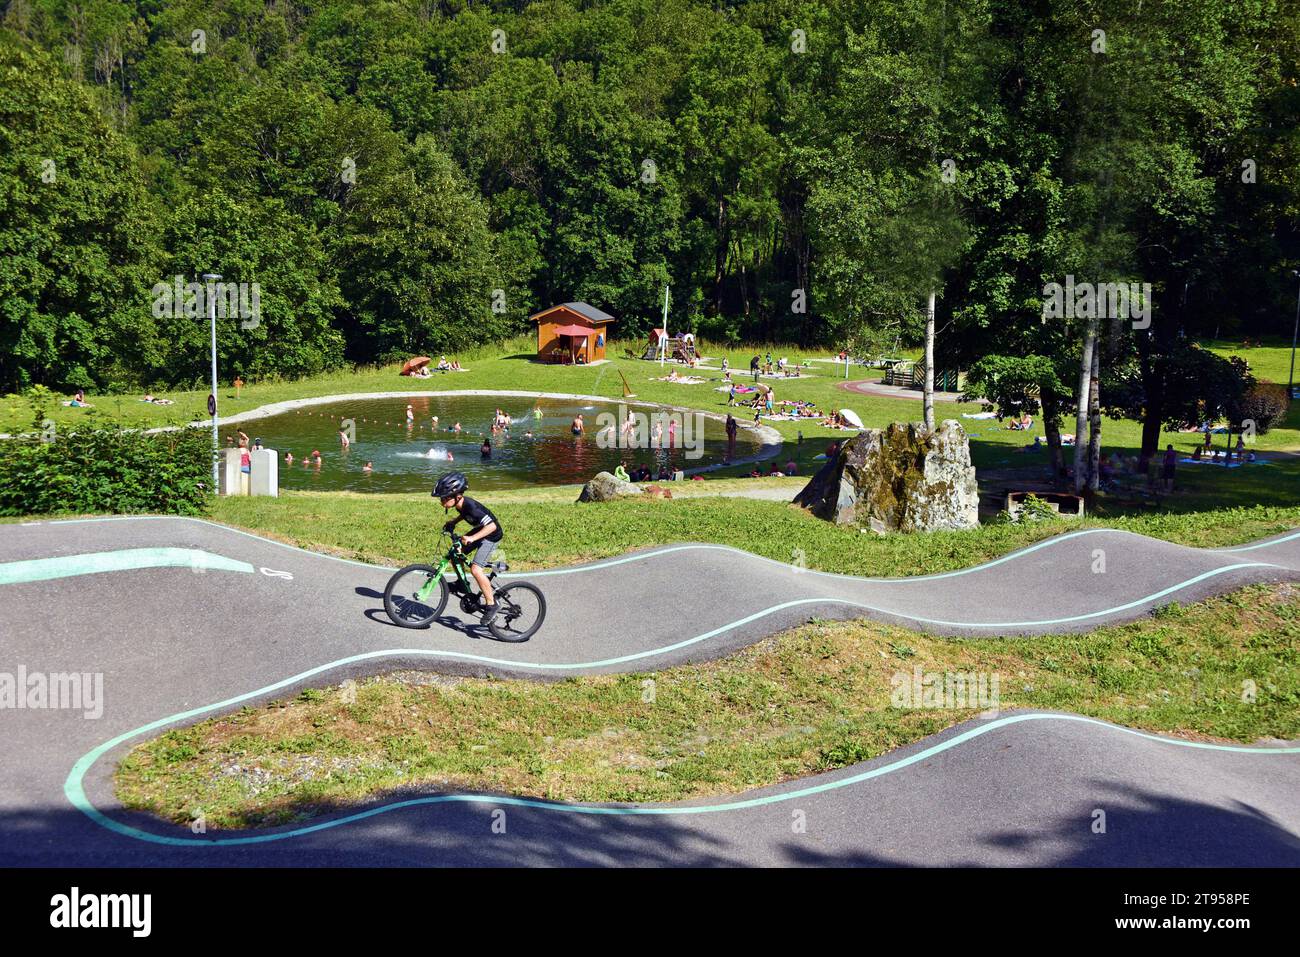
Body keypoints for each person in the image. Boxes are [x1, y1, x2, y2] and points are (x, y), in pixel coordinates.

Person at [434, 472, 504, 623]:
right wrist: (454, 521)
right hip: (481, 530)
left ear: (457, 496)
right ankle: (461, 584)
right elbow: (464, 514)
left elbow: (491, 526)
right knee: (455, 554)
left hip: (491, 535)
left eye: (445, 497)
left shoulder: (470, 506)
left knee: (476, 569)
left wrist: (472, 538)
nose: (442, 501)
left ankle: (491, 605)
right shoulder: (461, 505)